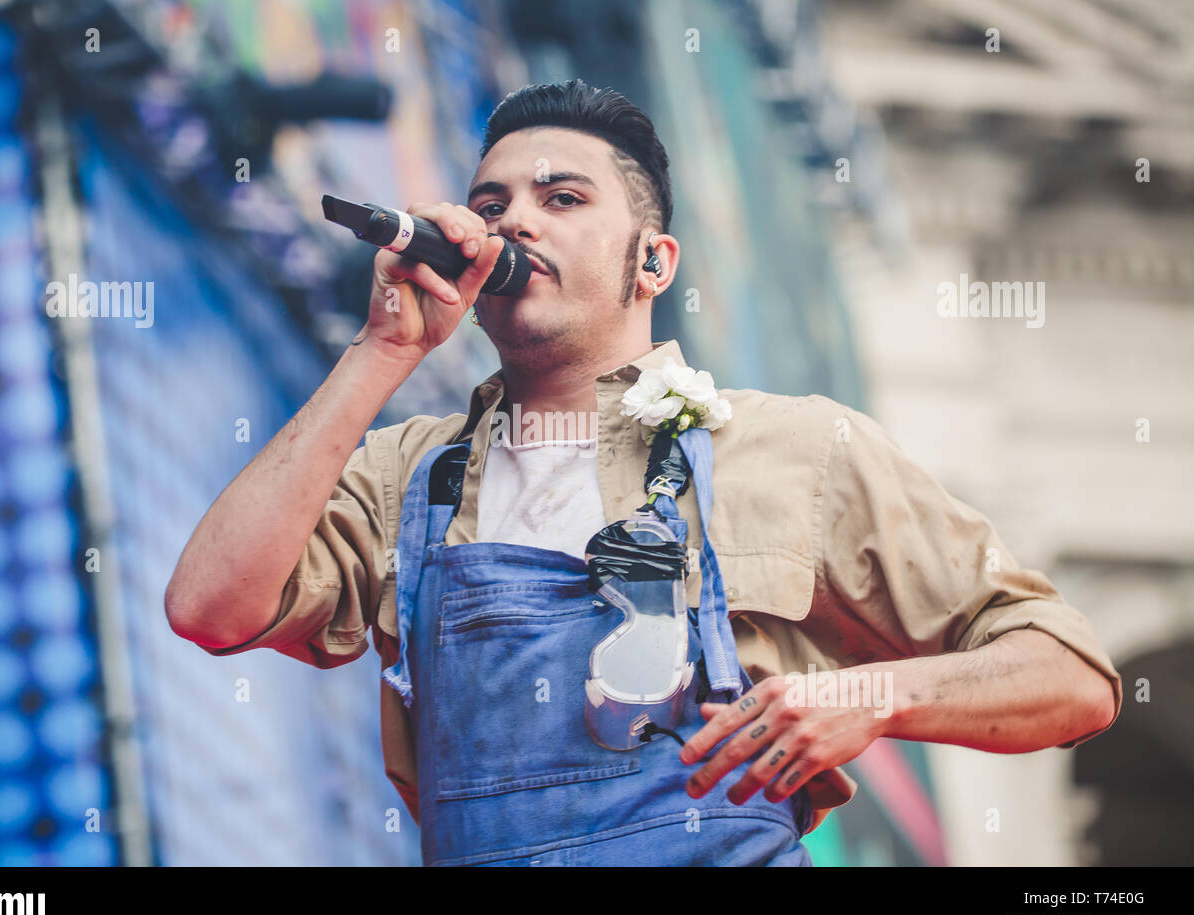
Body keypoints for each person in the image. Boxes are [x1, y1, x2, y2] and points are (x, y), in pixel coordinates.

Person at [164, 79, 1122, 866]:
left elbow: (1072, 676)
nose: (515, 225)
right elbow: (210, 607)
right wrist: (381, 351)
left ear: (653, 263)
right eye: (492, 207)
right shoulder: (405, 474)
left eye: (563, 199)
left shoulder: (801, 448)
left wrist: (872, 698)